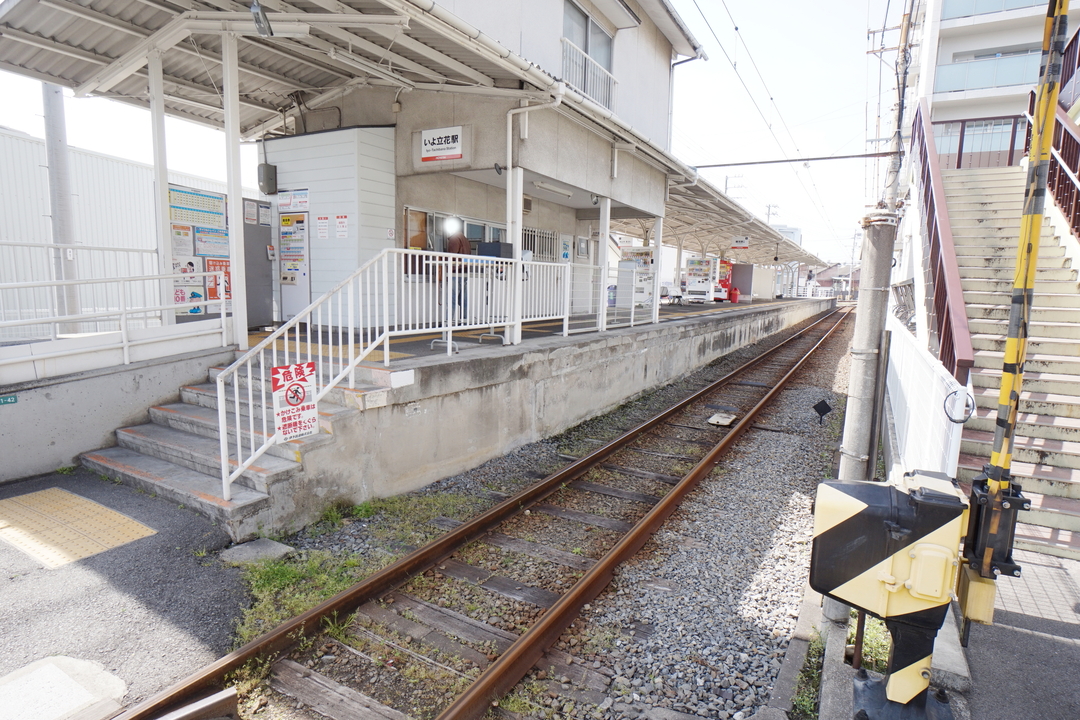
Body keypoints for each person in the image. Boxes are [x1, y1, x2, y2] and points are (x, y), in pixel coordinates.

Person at [445, 232, 471, 322]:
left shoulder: (454, 238)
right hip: (464, 271)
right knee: (463, 299)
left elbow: (451, 256)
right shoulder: (465, 239)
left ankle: (448, 321)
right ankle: (465, 320)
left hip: (455, 271)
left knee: (451, 298)